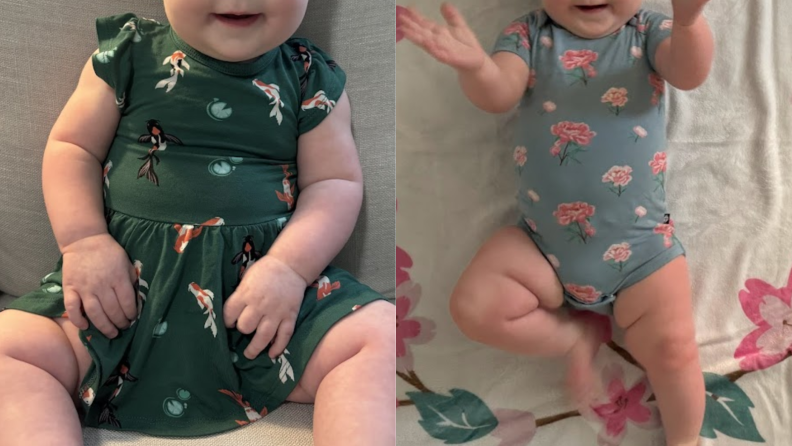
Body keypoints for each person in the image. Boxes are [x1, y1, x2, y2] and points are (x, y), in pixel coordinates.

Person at [0, 1, 394, 445]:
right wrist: (84, 240)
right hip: (119, 309)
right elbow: (72, 148)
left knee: (379, 332)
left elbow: (334, 184)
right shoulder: (127, 55)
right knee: (10, 346)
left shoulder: (310, 79)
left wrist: (289, 268)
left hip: (258, 322)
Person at [400, 1, 713, 445]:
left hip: (643, 249)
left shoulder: (648, 30)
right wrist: (476, 69)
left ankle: (685, 440)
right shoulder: (529, 35)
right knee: (474, 306)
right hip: (541, 250)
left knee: (675, 349)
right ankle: (570, 338)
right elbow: (497, 94)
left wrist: (688, 22)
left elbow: (689, 72)